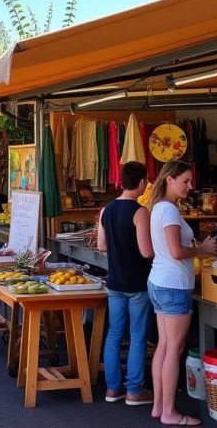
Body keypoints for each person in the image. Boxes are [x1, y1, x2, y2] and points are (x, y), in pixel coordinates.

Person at [148, 160, 217, 426]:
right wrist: (202, 249)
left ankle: (158, 407)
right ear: (169, 180)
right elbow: (177, 252)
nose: (191, 186)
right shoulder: (169, 211)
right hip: (174, 285)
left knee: (164, 347)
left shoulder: (158, 208)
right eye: (186, 181)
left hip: (160, 281)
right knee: (173, 349)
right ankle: (169, 412)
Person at [97, 161, 154, 406]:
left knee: (114, 335)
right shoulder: (140, 212)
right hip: (137, 283)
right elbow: (146, 252)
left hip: (115, 281)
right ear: (141, 183)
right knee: (138, 336)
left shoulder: (106, 210)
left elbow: (102, 246)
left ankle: (112, 389)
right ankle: (134, 390)